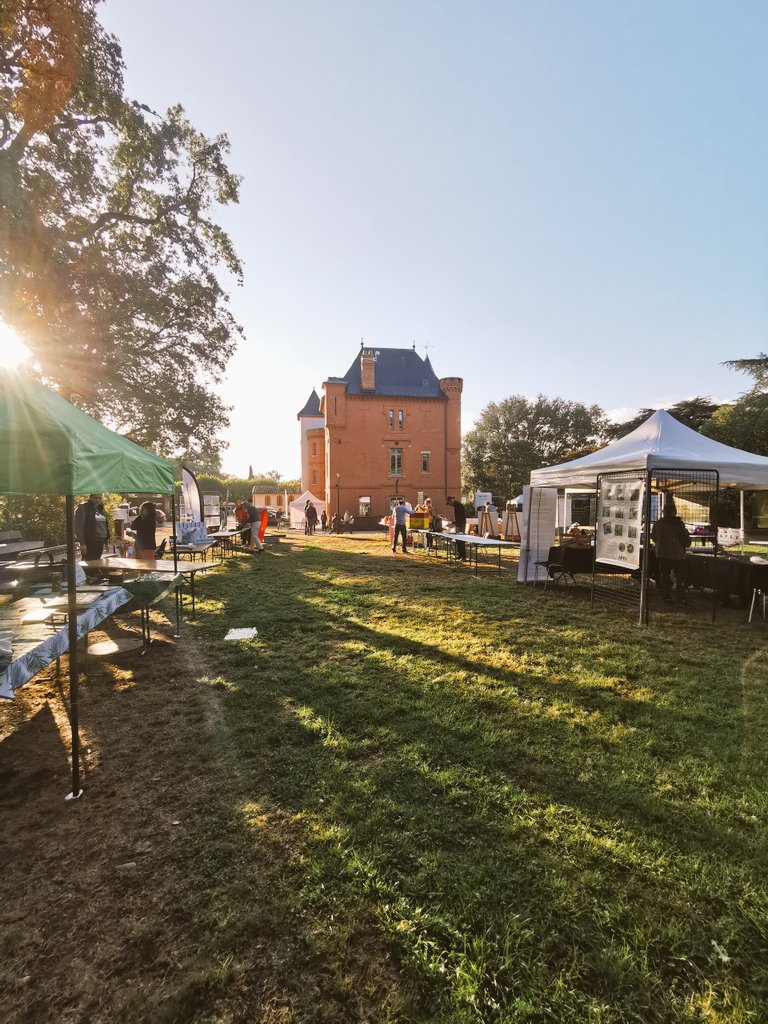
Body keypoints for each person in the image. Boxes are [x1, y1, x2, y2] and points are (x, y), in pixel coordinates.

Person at [652, 500, 691, 605]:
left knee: (665, 576)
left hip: (662, 554)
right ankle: (681, 598)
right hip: (677, 555)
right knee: (680, 577)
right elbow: (687, 542)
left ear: (664, 512)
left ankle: (666, 597)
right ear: (674, 511)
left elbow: (654, 538)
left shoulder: (657, 524)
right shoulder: (679, 524)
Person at [74, 493, 110, 560]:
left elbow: (104, 526)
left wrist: (106, 542)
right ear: (90, 498)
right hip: (90, 541)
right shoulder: (84, 508)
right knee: (88, 563)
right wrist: (82, 543)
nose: (98, 500)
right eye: (95, 498)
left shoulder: (101, 509)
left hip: (100, 540)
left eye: (100, 498)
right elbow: (78, 527)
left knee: (97, 562)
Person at [446, 496, 466, 561]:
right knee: (458, 541)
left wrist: (453, 523)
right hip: (459, 525)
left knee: (461, 541)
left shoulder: (458, 506)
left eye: (449, 503)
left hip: (461, 525)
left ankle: (463, 556)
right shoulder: (456, 505)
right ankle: (460, 555)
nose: (450, 505)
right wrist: (453, 523)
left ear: (450, 500)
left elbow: (460, 517)